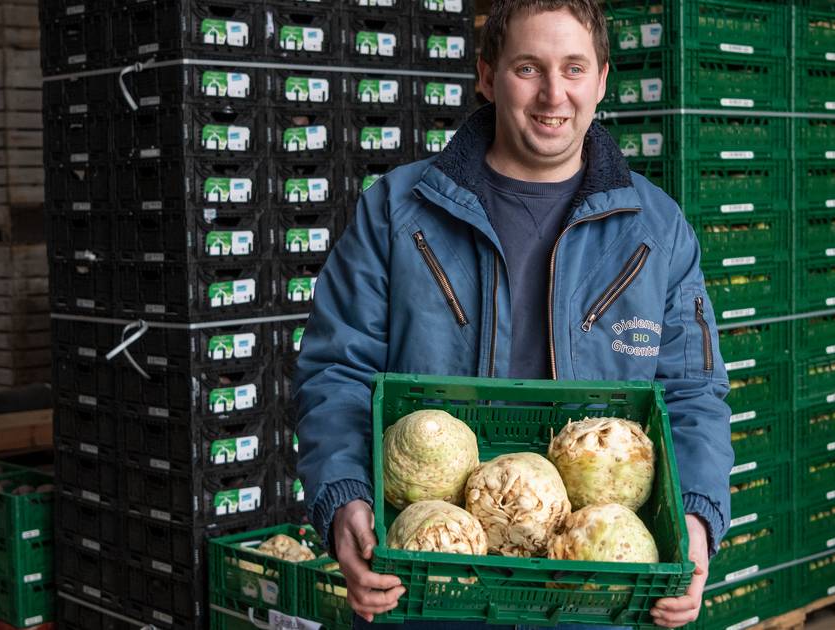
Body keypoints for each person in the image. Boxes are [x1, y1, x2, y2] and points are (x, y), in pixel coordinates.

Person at [294, 1, 734, 628]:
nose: (554, 94)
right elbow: (336, 371)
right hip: (432, 573)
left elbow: (693, 391)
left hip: (596, 584)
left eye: (575, 69)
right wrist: (346, 500)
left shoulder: (655, 230)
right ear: (486, 74)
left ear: (603, 79)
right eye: (529, 68)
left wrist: (693, 516)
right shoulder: (395, 213)